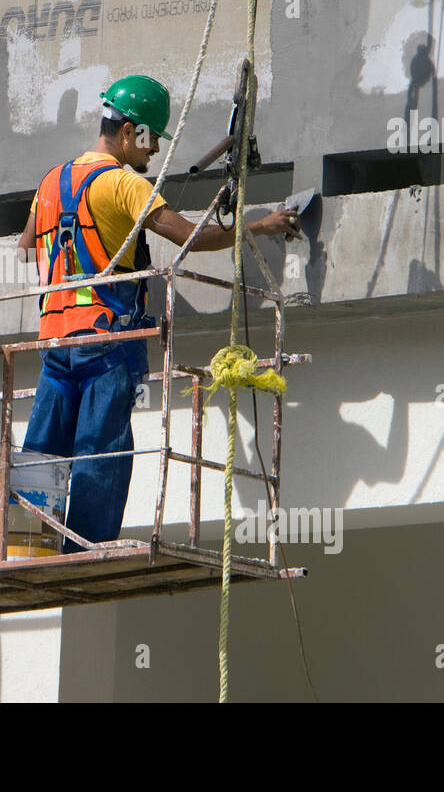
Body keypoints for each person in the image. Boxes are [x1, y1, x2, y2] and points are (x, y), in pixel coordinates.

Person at [16, 74, 298, 553]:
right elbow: (190, 239)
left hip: (55, 342)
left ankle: (27, 541)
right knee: (101, 452)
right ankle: (85, 549)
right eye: (149, 141)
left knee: (41, 454)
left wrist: (81, 255)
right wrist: (259, 226)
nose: (152, 153)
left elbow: (25, 247)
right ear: (128, 133)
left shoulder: (50, 182)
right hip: (104, 343)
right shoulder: (122, 183)